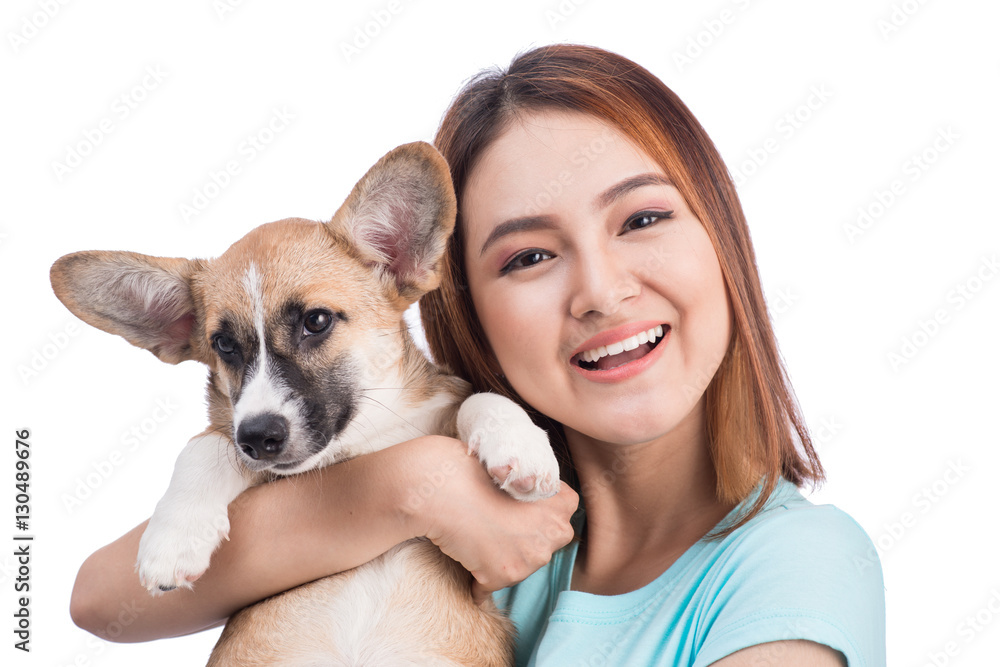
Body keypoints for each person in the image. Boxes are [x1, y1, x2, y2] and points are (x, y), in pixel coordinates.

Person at [70, 44, 886, 665]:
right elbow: (102, 600)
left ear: (724, 235)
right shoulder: (488, 516)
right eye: (529, 256)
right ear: (454, 293)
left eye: (641, 219)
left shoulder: (796, 567)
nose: (601, 291)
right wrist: (417, 484)